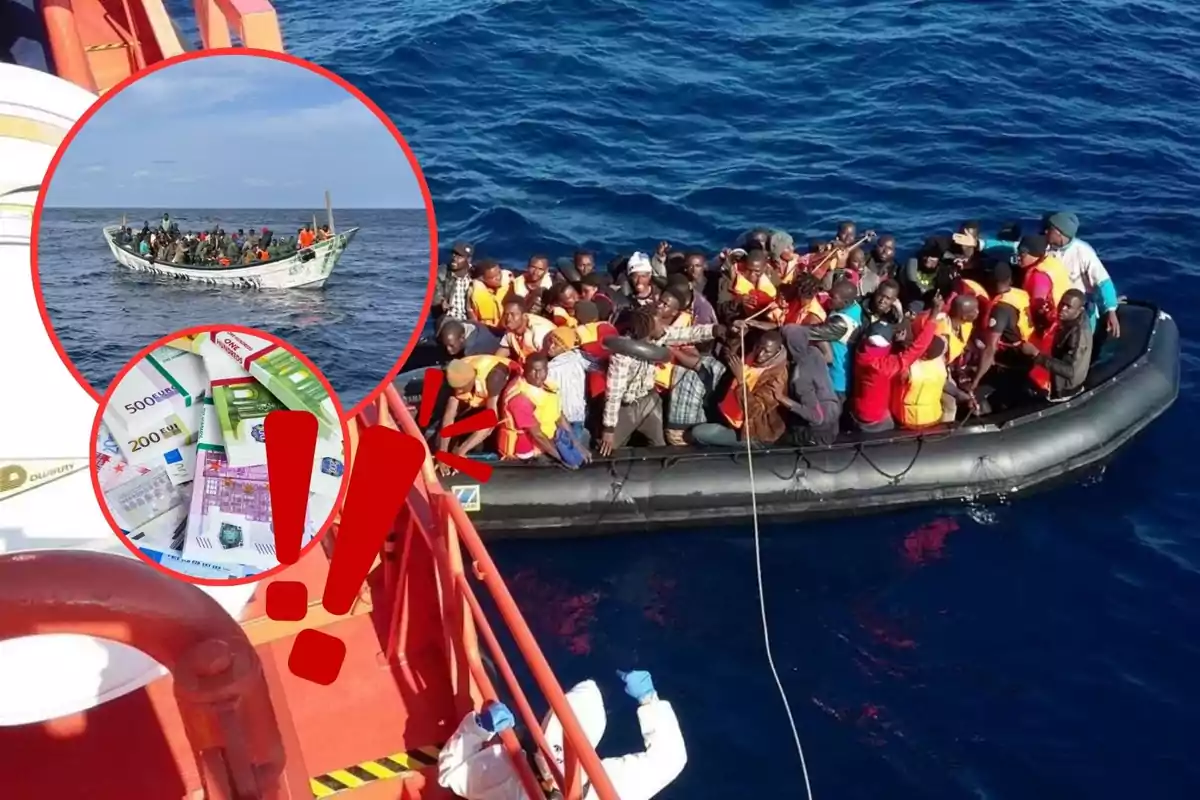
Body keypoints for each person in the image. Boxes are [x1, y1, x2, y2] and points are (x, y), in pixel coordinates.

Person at [437, 669, 686, 800]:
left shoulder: (509, 768)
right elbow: (669, 760)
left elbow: (451, 774)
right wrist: (649, 700)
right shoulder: (610, 784)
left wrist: (479, 726)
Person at [598, 307, 720, 456]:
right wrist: (608, 429)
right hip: (626, 406)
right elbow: (614, 394)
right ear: (647, 328)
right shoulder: (622, 356)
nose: (663, 326)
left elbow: (686, 334)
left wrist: (716, 330)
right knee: (609, 448)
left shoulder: (658, 338)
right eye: (659, 322)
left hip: (649, 400)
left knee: (659, 447)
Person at [848, 293, 943, 432]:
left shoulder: (861, 350)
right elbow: (918, 348)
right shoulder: (884, 367)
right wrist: (933, 316)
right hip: (874, 419)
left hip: (857, 408)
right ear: (888, 344)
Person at [692, 331, 790, 447]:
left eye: (767, 352)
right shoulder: (751, 355)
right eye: (759, 347)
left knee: (697, 433)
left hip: (752, 432)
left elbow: (755, 411)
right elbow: (729, 354)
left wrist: (741, 381)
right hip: (728, 416)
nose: (760, 354)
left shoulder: (777, 378)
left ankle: (752, 446)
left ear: (777, 351)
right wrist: (735, 334)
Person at [497, 353, 590, 467]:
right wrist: (564, 459)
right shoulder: (520, 398)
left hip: (548, 441)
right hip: (527, 453)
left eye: (542, 370)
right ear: (525, 369)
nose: (538, 376)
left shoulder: (545, 386)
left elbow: (558, 416)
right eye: (534, 371)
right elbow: (537, 435)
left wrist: (577, 445)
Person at [968, 262, 1032, 402]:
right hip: (1029, 352)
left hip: (1011, 362)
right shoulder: (1020, 294)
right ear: (1010, 280)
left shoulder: (1001, 309)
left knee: (978, 394)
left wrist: (976, 380)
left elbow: (991, 348)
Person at [437, 356, 515, 473]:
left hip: (503, 386)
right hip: (478, 391)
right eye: (455, 389)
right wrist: (442, 453)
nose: (458, 393)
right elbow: (448, 417)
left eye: (461, 389)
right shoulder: (455, 375)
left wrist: (460, 451)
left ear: (471, 381)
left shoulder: (494, 377)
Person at [891, 335, 975, 428]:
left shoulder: (909, 368)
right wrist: (966, 397)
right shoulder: (939, 365)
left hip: (907, 420)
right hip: (933, 419)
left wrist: (897, 345)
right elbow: (945, 384)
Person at [1022, 288, 1092, 400]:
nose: (1062, 309)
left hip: (1064, 391)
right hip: (1053, 376)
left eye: (1068, 307)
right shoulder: (1073, 317)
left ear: (1080, 310)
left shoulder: (1078, 336)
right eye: (1062, 304)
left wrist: (1036, 355)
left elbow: (1070, 371)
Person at [780, 324, 841, 445]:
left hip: (817, 430)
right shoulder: (814, 352)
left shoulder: (800, 377)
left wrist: (781, 398)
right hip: (833, 413)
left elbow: (815, 417)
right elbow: (828, 358)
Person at [802, 279, 863, 399]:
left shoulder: (841, 323)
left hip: (835, 381)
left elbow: (808, 333)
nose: (828, 298)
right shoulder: (855, 307)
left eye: (833, 297)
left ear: (845, 302)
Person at [545, 327, 590, 445]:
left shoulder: (549, 369)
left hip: (562, 420)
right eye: (550, 341)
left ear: (565, 347)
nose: (551, 346)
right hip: (578, 417)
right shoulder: (579, 357)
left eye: (556, 344)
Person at [1015, 234, 1071, 327]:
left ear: (1035, 254)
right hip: (1063, 319)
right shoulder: (1052, 262)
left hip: (1050, 326)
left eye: (1022, 254)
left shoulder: (1039, 277)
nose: (1018, 257)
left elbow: (1038, 307)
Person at [496, 297, 556, 363]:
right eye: (506, 314)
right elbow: (505, 349)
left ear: (524, 315)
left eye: (513, 314)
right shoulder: (511, 329)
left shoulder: (539, 332)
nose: (508, 319)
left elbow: (549, 359)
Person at [436, 241, 475, 322]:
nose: (454, 258)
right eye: (454, 254)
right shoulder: (441, 273)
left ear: (468, 259)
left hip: (472, 320)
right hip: (449, 319)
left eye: (459, 256)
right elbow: (434, 293)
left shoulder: (476, 274)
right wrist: (440, 302)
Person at [470, 260, 514, 331]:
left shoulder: (510, 286)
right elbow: (473, 317)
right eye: (492, 277)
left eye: (499, 273)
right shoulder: (475, 292)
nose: (498, 278)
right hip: (487, 331)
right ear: (481, 279)